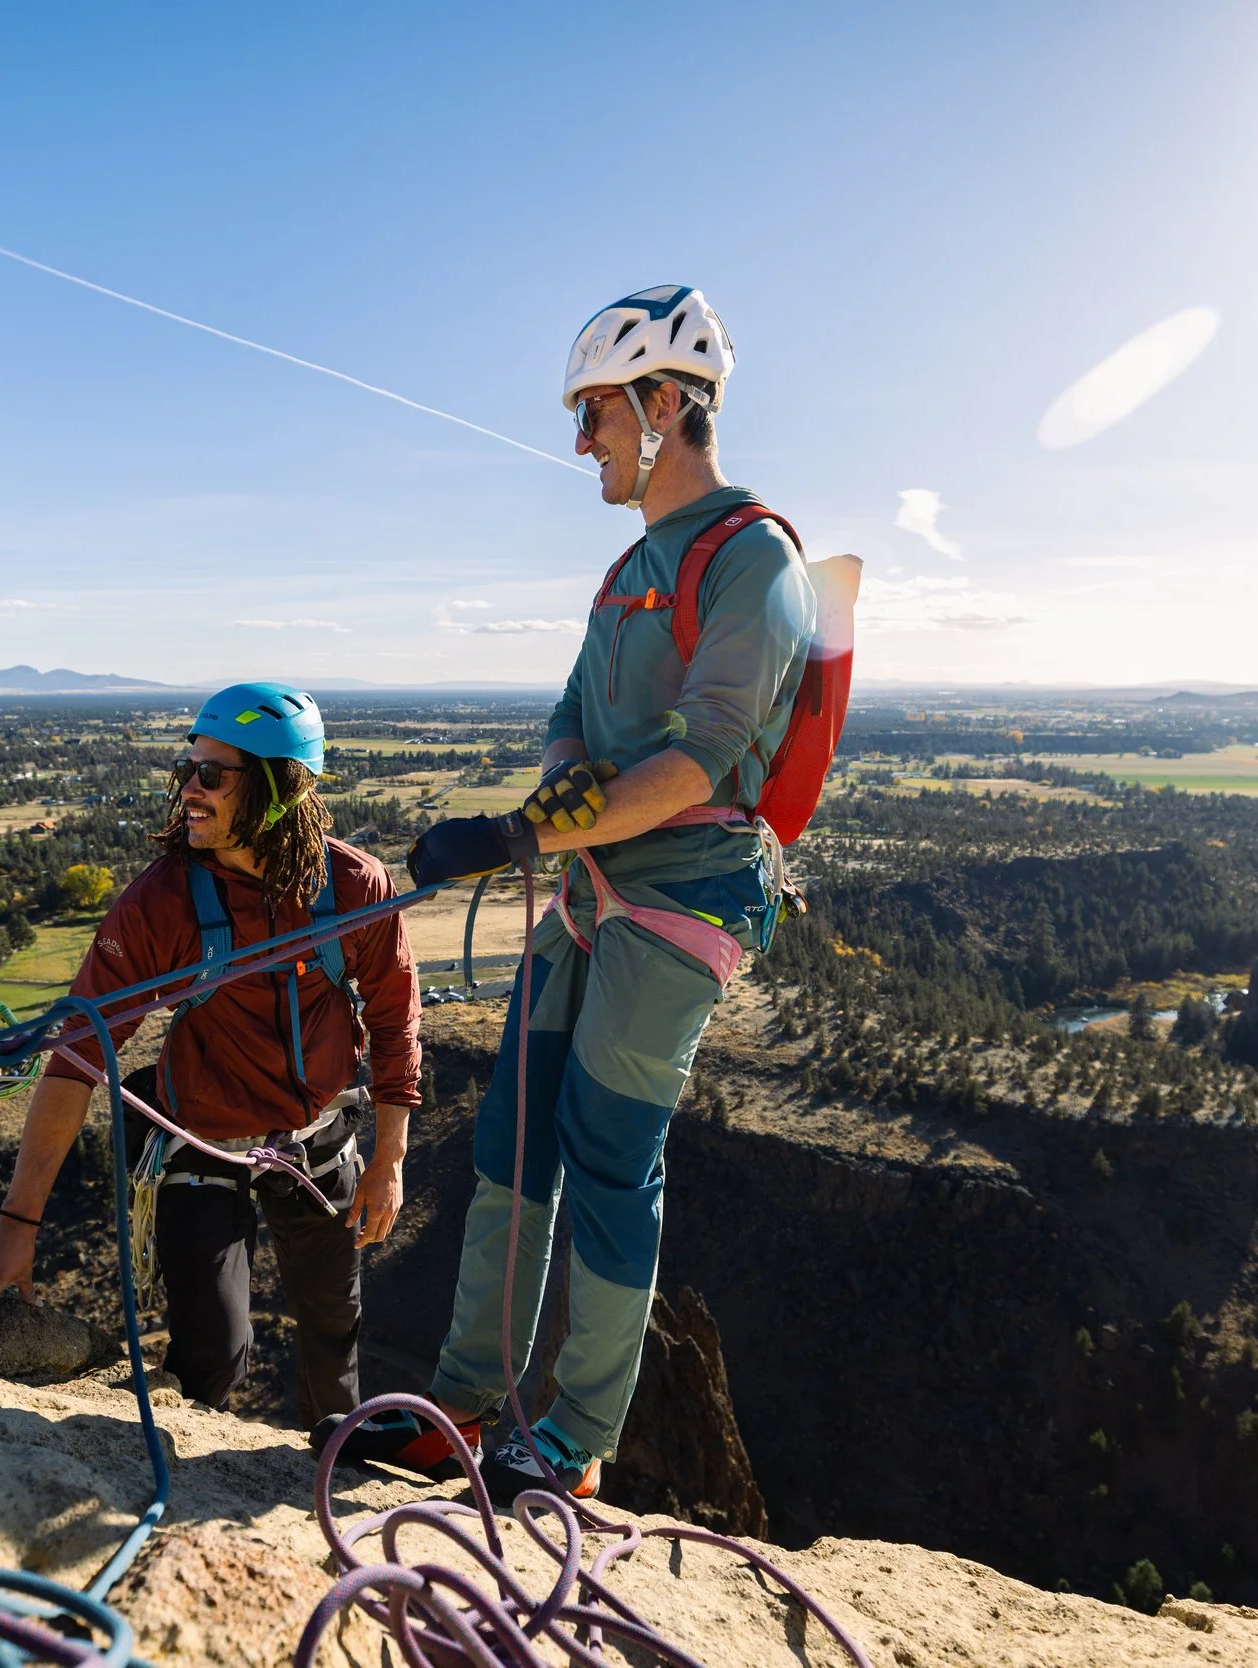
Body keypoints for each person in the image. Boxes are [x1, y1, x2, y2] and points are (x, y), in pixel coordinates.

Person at [332, 285, 817, 1505]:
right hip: (593, 890)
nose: (580, 441)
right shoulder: (630, 569)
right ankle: (465, 1400)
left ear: (663, 406)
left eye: (594, 413)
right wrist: (548, 804)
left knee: (607, 1149)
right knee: (511, 1141)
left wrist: (512, 831)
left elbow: (701, 756)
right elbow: (571, 721)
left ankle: (575, 1438)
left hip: (679, 902)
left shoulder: (753, 557)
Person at [0, 682, 421, 1432]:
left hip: (317, 1143)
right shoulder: (162, 903)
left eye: (213, 775)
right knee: (213, 1354)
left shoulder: (353, 889)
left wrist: (388, 1160)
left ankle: (328, 1475)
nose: (190, 788)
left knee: (333, 1341)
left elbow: (394, 1025)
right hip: (200, 1142)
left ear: (279, 790)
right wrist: (18, 1221)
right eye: (187, 770)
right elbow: (76, 1058)